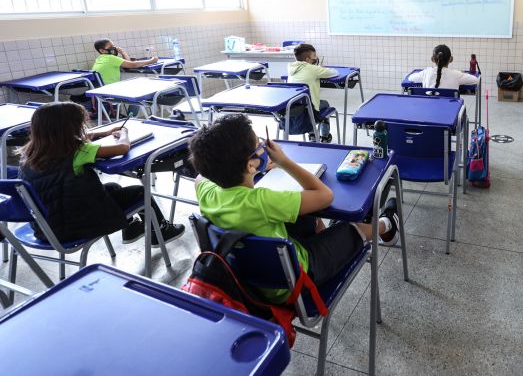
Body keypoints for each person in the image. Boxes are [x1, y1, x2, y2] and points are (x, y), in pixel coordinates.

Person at [189, 114, 400, 302]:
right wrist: (283, 161)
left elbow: (200, 177)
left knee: (306, 216)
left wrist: (252, 169)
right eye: (259, 144)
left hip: (248, 276)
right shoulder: (262, 201)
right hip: (294, 282)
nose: (263, 146)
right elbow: (325, 196)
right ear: (250, 164)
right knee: (350, 227)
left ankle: (329, 240)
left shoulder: (207, 193)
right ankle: (386, 224)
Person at [18, 102, 184, 245]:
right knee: (139, 192)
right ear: (70, 129)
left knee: (112, 187)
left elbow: (75, 139)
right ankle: (162, 231)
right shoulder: (79, 150)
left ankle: (131, 228)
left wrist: (102, 133)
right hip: (77, 225)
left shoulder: (29, 152)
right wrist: (123, 134)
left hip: (47, 226)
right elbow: (123, 148)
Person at [286, 43, 337, 142]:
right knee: (325, 104)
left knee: (307, 103)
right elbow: (334, 72)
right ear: (307, 59)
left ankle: (313, 135)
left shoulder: (291, 68)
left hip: (293, 109)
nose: (316, 58)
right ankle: (325, 136)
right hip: (309, 110)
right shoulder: (313, 69)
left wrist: (317, 69)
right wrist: (320, 69)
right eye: (314, 56)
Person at [407, 44, 479, 90]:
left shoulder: (426, 72)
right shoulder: (456, 74)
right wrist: (460, 73)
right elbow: (476, 80)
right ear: (451, 59)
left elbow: (410, 78)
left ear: (432, 59)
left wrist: (423, 73)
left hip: (428, 111)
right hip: (450, 112)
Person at [91, 39, 158, 85]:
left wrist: (123, 52)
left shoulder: (100, 59)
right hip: (110, 88)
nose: (114, 48)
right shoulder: (110, 58)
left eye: (114, 46)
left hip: (101, 88)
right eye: (111, 47)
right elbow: (133, 65)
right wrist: (151, 61)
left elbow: (127, 62)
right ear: (102, 51)